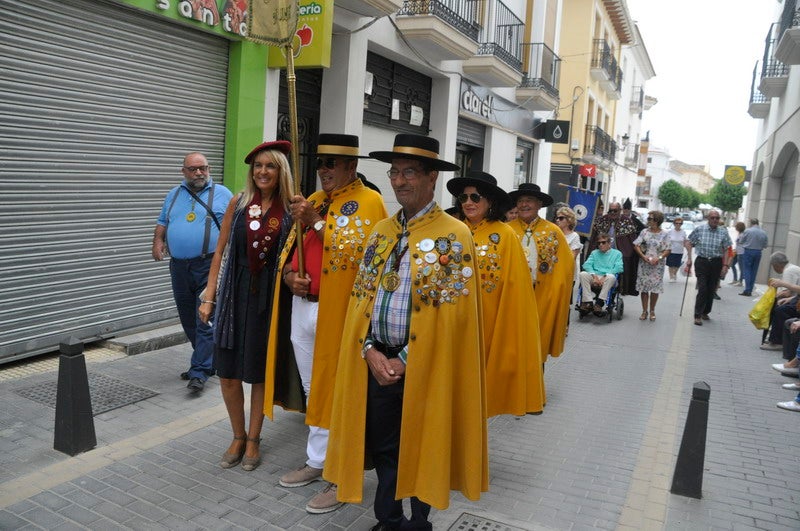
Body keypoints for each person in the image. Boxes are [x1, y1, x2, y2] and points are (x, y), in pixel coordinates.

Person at [324, 133, 488, 531]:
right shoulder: (380, 231)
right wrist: (368, 350)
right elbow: (360, 299)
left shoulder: (454, 234)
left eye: (409, 172)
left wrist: (404, 360)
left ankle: (418, 521)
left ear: (432, 177)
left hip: (424, 364)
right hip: (376, 358)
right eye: (394, 172)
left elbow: (454, 319)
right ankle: (389, 519)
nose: (399, 181)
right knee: (384, 448)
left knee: (422, 442)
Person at [268, 134, 388, 513]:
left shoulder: (370, 202)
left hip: (340, 310)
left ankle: (340, 472)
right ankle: (317, 460)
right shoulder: (314, 201)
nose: (324, 170)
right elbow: (291, 251)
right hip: (304, 306)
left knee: (341, 388)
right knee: (312, 386)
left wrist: (316, 221)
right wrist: (289, 276)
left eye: (332, 163)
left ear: (351, 166)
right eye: (321, 163)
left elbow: (361, 255)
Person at [199, 141, 293, 471]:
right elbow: (220, 251)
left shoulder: (290, 209)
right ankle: (237, 435)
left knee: (258, 373)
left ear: (281, 171)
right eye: (257, 166)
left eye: (270, 166)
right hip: (232, 296)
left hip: (269, 299)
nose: (262, 171)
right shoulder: (239, 204)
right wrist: (209, 295)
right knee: (227, 372)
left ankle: (253, 439)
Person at [447, 171, 544, 416]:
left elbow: (517, 291)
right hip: (451, 324)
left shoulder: (505, 235)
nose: (468, 202)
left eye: (475, 197)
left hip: (486, 327)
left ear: (489, 201)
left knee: (476, 396)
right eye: (463, 197)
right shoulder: (453, 231)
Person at [152, 152, 233, 393]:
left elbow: (235, 227)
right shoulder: (174, 194)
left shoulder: (224, 194)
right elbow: (162, 221)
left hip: (208, 265)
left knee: (204, 319)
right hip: (178, 266)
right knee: (187, 317)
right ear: (183, 172)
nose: (199, 173)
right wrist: (157, 241)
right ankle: (208, 361)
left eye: (203, 168)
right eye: (193, 169)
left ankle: (199, 371)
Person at [507, 183, 574, 360]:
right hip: (512, 296)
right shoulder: (506, 230)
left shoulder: (553, 232)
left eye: (529, 200)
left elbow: (566, 266)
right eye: (520, 201)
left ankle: (536, 383)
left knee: (537, 341)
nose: (524, 204)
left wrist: (555, 292)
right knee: (512, 341)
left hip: (541, 296)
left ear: (539, 204)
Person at [688, 209, 732, 326]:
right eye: (712, 218)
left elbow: (727, 248)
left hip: (716, 262)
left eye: (717, 218)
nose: (715, 220)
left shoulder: (723, 232)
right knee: (702, 288)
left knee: (711, 289)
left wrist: (725, 265)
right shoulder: (700, 229)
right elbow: (689, 242)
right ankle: (697, 315)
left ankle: (705, 311)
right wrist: (689, 258)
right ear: (708, 218)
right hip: (702, 261)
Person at [590, 201, 640, 296]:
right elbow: (594, 238)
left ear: (620, 210)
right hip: (601, 253)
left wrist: (627, 253)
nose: (612, 213)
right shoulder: (602, 220)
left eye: (615, 211)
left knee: (625, 260)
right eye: (610, 211)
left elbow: (632, 240)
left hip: (617, 254)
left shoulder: (626, 221)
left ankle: (620, 288)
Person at [633, 211, 670, 321]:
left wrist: (658, 258)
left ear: (657, 221)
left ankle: (652, 310)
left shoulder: (664, 234)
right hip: (645, 264)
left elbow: (668, 249)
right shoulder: (644, 232)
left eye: (650, 218)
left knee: (655, 289)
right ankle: (644, 311)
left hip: (657, 265)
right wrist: (643, 256)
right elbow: (636, 245)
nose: (648, 220)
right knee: (644, 288)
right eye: (648, 218)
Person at [761, 252, 800, 350]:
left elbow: (787, 292)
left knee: (779, 309)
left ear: (776, 265)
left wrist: (776, 293)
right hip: (796, 298)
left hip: (797, 300)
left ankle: (777, 341)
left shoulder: (788, 270)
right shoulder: (791, 268)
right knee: (779, 306)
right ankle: (774, 337)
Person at [579, 232, 624, 314]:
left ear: (609, 243)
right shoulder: (594, 253)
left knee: (611, 277)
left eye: (603, 242)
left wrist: (604, 276)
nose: (601, 245)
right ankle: (588, 302)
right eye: (599, 243)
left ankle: (599, 302)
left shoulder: (617, 253)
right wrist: (594, 276)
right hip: (595, 276)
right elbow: (587, 264)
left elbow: (619, 267)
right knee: (582, 274)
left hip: (608, 278)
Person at [739, 218, 769, 297]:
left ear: (751, 223)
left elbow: (741, 241)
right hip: (758, 252)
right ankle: (750, 289)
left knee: (747, 270)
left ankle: (747, 290)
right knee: (754, 271)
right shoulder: (763, 232)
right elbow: (765, 245)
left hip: (748, 251)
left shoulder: (748, 231)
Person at [666, 217, 691, 282]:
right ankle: (671, 277)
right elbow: (666, 241)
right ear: (674, 224)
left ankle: (674, 274)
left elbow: (685, 242)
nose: (678, 224)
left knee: (677, 265)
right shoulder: (670, 232)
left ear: (681, 224)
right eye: (676, 223)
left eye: (680, 223)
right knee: (671, 265)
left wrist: (688, 251)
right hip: (671, 250)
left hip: (679, 251)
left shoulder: (683, 232)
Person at [728, 221, 746, 286]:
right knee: (732, 264)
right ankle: (735, 279)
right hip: (737, 252)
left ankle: (740, 281)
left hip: (741, 253)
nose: (735, 227)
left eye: (736, 226)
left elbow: (741, 243)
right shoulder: (740, 234)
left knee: (741, 267)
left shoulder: (743, 235)